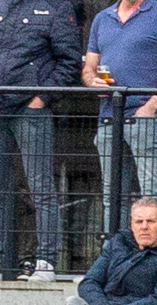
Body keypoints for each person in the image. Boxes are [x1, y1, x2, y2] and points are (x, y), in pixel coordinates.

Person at [83, 0, 157, 230]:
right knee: (111, 196)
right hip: (109, 117)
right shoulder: (102, 18)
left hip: (145, 117)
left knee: (153, 193)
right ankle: (114, 249)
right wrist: (92, 81)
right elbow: (89, 68)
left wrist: (151, 106)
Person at [1, 0, 80, 283]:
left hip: (30, 110)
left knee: (41, 187)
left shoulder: (56, 6)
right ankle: (3, 261)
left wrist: (42, 97)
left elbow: (71, 61)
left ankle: (45, 261)